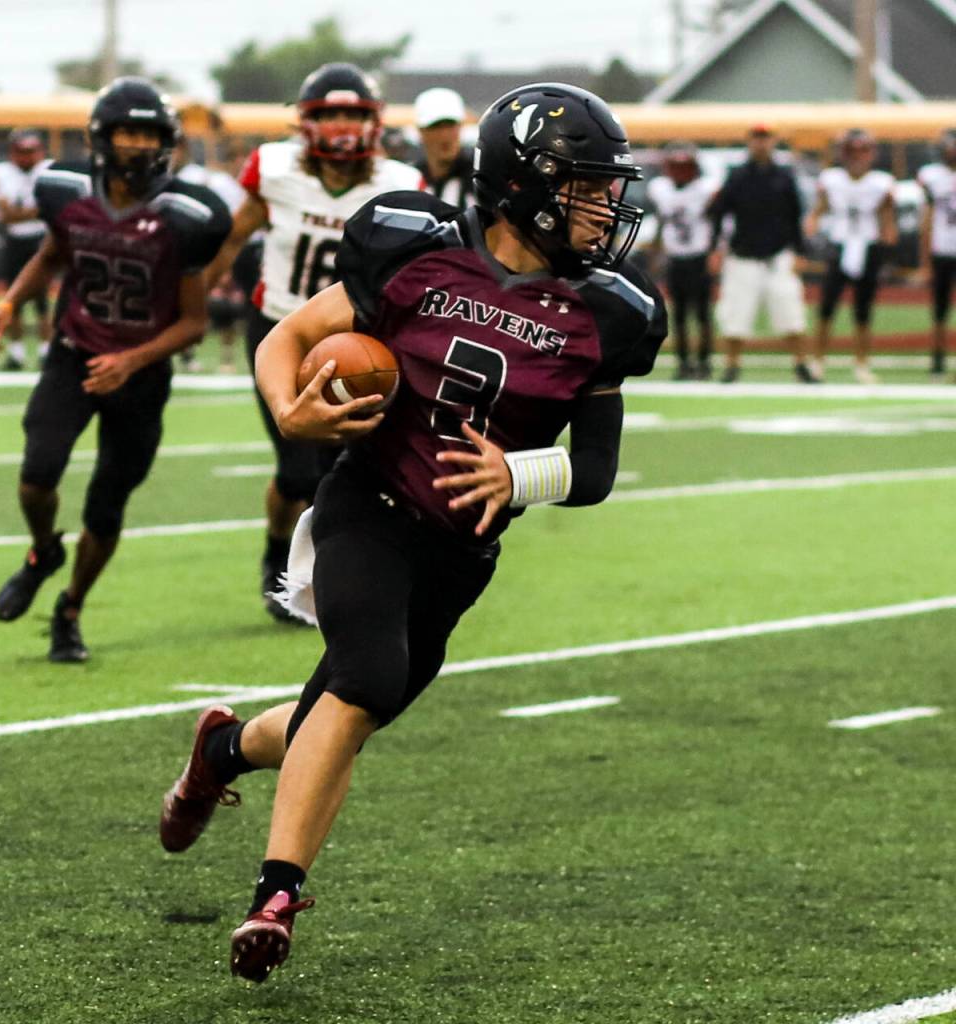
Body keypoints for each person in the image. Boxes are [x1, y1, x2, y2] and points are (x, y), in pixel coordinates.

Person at [159, 81, 667, 983]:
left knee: (340, 718)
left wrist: (520, 472)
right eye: (588, 186)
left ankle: (222, 752)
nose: (608, 206)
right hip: (369, 503)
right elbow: (290, 336)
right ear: (526, 184)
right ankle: (274, 896)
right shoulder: (412, 245)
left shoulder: (609, 315)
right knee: (365, 679)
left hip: (460, 551)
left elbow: (594, 472)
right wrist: (292, 413)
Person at [0, 78, 230, 663]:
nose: (139, 145)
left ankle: (69, 610)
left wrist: (132, 361)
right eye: (128, 132)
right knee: (37, 475)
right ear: (102, 137)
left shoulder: (186, 214)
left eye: (149, 134)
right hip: (74, 352)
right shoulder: (66, 193)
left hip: (140, 373)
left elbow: (194, 322)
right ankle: (44, 551)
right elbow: (49, 257)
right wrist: (10, 303)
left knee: (106, 505)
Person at [201, 63, 422, 621]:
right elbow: (233, 237)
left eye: (353, 114)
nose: (343, 125)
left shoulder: (398, 183)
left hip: (356, 342)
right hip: (281, 330)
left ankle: (333, 576)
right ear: (306, 123)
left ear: (373, 123)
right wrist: (196, 297)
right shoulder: (274, 171)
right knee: (298, 469)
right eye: (331, 115)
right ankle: (277, 555)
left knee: (341, 472)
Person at [708, 124, 814, 383]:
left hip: (778, 256)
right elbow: (719, 213)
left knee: (791, 313)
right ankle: (732, 366)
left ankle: (802, 365)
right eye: (756, 139)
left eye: (765, 139)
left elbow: (794, 216)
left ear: (773, 142)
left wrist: (800, 251)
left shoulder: (784, 176)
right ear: (749, 142)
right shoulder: (737, 176)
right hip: (743, 256)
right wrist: (715, 248)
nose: (761, 144)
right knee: (735, 315)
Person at [805, 130, 896, 385]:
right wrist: (811, 223)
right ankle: (818, 361)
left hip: (868, 245)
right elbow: (819, 209)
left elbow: (887, 219)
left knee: (863, 311)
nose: (857, 157)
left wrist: (889, 244)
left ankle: (861, 364)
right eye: (852, 152)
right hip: (840, 244)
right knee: (826, 307)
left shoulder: (881, 182)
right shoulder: (831, 179)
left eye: (862, 151)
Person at [172, 136, 248, 372]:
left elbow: (232, 224)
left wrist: (224, 262)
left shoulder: (211, 180)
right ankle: (186, 353)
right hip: (183, 251)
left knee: (224, 307)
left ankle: (225, 357)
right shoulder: (170, 178)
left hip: (209, 251)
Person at [646, 141, 718, 379]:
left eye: (685, 166)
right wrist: (656, 251)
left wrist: (716, 252)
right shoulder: (661, 189)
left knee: (702, 313)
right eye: (676, 166)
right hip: (675, 257)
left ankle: (705, 361)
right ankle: (684, 362)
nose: (680, 171)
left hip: (699, 257)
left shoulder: (705, 189)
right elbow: (661, 221)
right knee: (678, 314)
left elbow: (716, 221)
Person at [0, 130, 52, 370]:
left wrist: (21, 215)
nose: (26, 158)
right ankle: (16, 354)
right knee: (12, 299)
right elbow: (7, 216)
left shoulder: (48, 170)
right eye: (21, 152)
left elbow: (46, 210)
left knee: (42, 301)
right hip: (16, 241)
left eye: (30, 152)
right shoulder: (1, 172)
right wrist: (31, 213)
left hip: (41, 240)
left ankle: (46, 352)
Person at [917, 128, 956, 378]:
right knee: (939, 309)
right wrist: (925, 260)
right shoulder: (932, 176)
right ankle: (937, 356)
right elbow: (928, 218)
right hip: (942, 248)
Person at [413, 86, 475, 209]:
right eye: (436, 126)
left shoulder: (481, 178)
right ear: (421, 131)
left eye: (450, 125)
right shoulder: (411, 179)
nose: (445, 135)